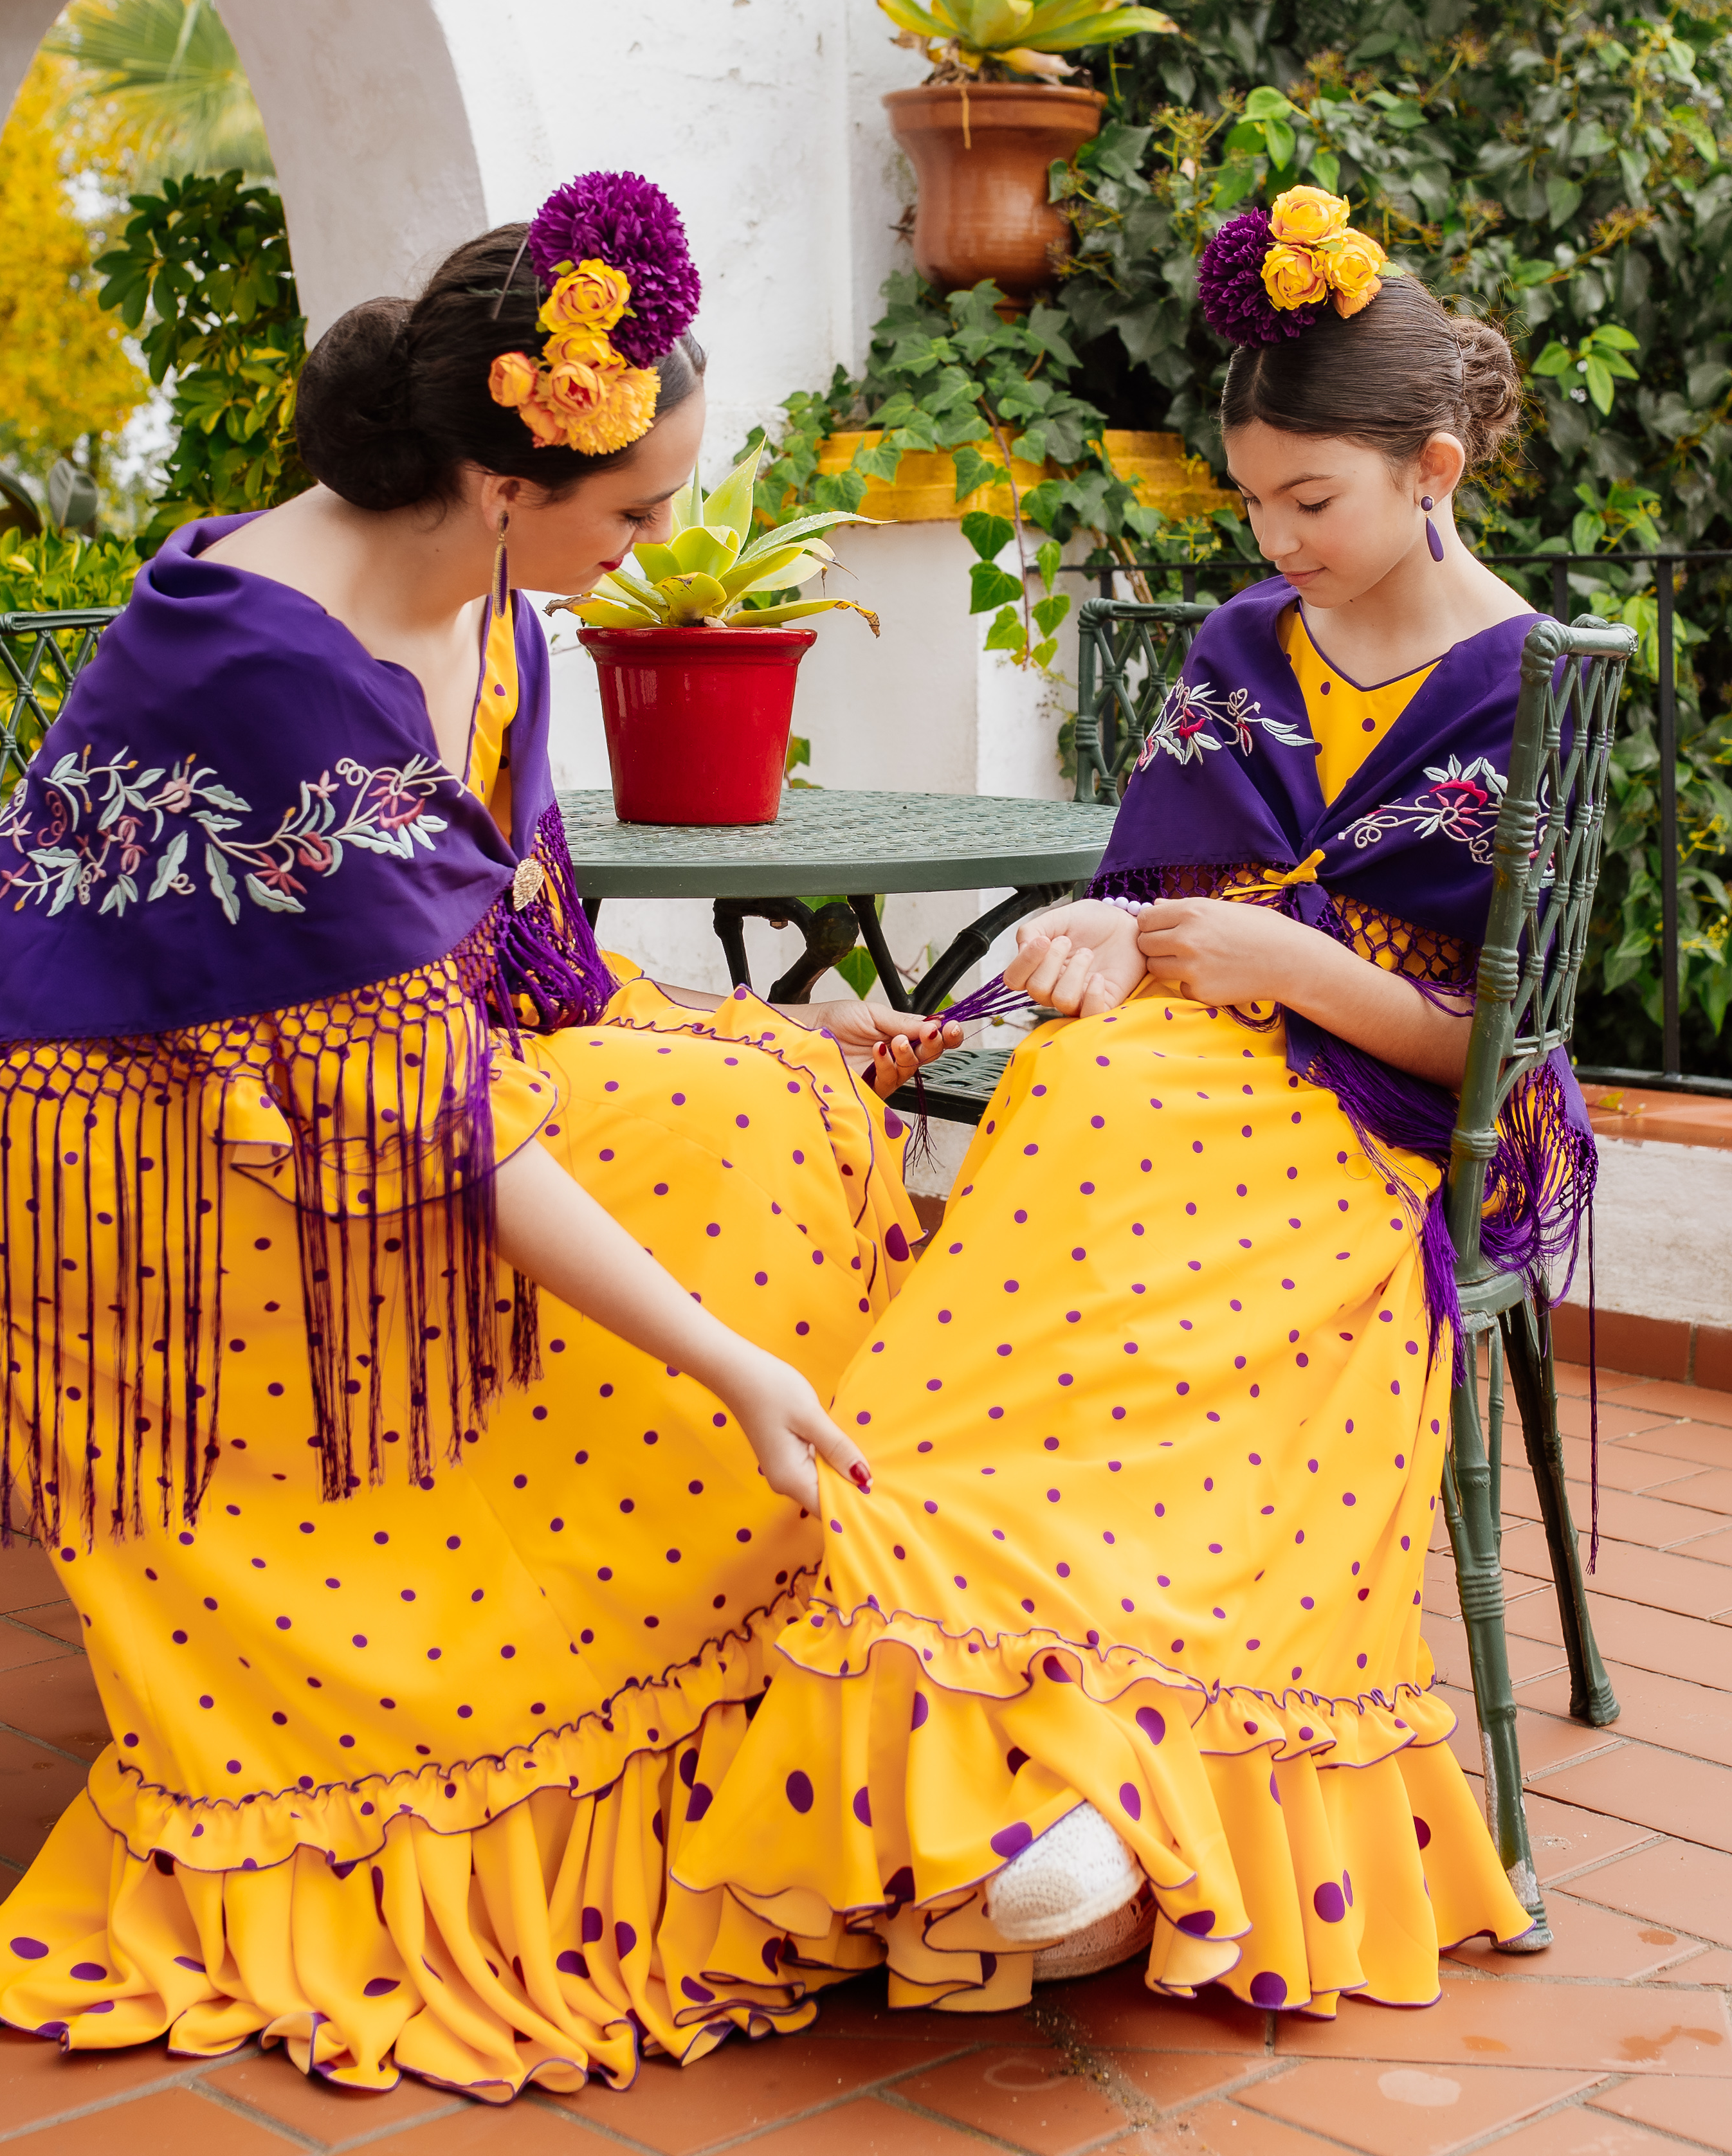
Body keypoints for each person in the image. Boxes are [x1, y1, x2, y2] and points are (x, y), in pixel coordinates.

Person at [0, 177, 947, 2096]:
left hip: (327, 1083)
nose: (662, 546)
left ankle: (796, 1718)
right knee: (720, 1174)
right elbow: (435, 1126)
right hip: (124, 1158)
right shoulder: (275, 666)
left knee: (765, 1096)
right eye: (642, 509)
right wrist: (732, 1360)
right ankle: (647, 1724)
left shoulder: (474, 587)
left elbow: (507, 966)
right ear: (509, 477)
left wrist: (777, 1033)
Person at [667, 187, 1594, 2013]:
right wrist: (1101, 936)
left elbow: (1496, 1051)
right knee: (1028, 1231)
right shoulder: (1240, 650)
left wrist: (1308, 977)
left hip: (1363, 1131)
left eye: (1309, 501)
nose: (1276, 542)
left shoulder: (1529, 688)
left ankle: (1128, 1771)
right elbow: (1156, 894)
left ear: (1435, 468)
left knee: (1208, 1320)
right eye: (1253, 502)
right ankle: (991, 1736)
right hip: (1151, 1079)